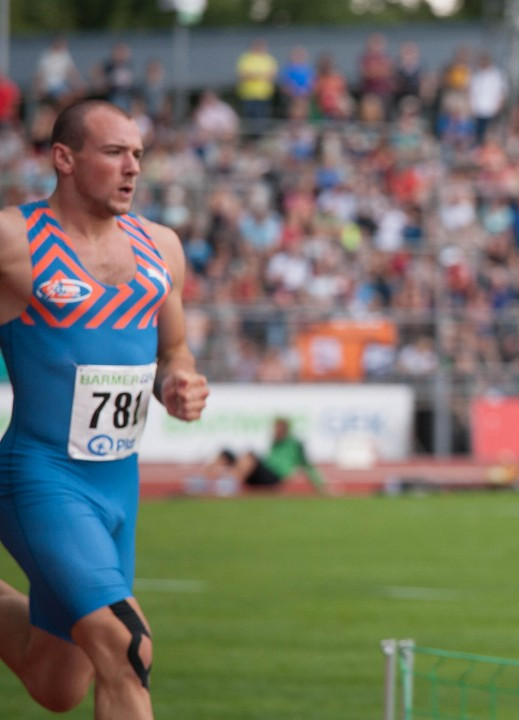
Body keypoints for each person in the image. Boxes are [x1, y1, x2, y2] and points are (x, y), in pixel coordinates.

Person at [0, 99, 209, 717]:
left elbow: (174, 349)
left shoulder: (160, 247)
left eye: (138, 154)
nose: (132, 168)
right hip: (40, 476)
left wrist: (180, 382)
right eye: (114, 152)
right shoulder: (15, 240)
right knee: (126, 644)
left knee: (58, 682)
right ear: (64, 159)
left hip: (119, 487)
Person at [188, 416, 325, 496]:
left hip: (273, 477)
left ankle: (229, 485)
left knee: (250, 455)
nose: (274, 431)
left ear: (285, 429)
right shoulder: (275, 442)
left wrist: (320, 486)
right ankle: (201, 482)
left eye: (277, 428)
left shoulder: (296, 445)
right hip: (260, 472)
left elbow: (308, 466)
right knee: (226, 453)